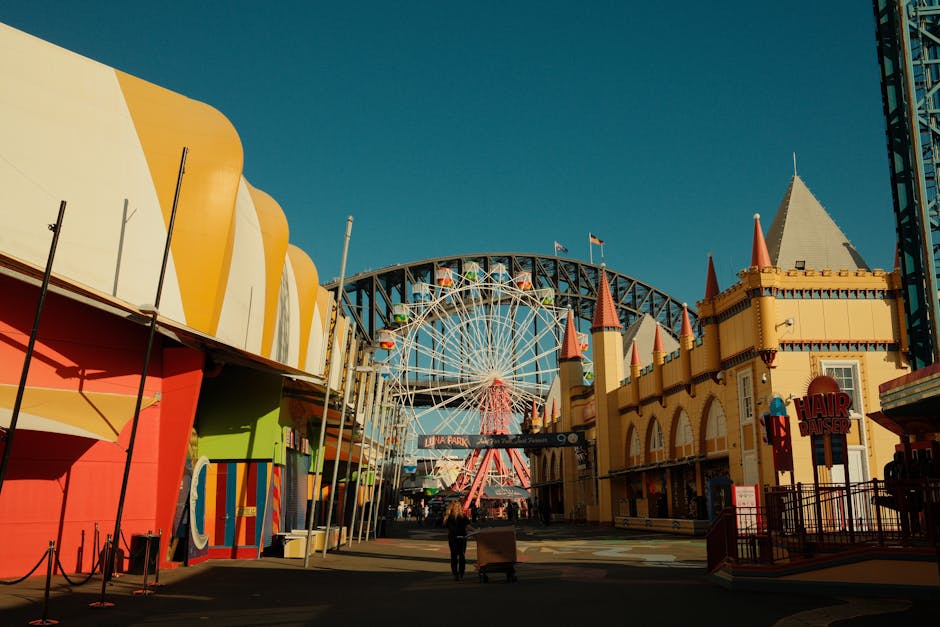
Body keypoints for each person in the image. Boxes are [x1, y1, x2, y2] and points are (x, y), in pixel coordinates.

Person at [443, 500, 473, 581]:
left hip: (452, 538)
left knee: (454, 556)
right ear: (459, 507)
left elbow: (448, 528)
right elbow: (468, 526)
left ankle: (455, 574)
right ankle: (461, 573)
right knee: (462, 556)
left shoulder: (448, 517)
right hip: (462, 538)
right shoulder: (463, 516)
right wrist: (476, 531)